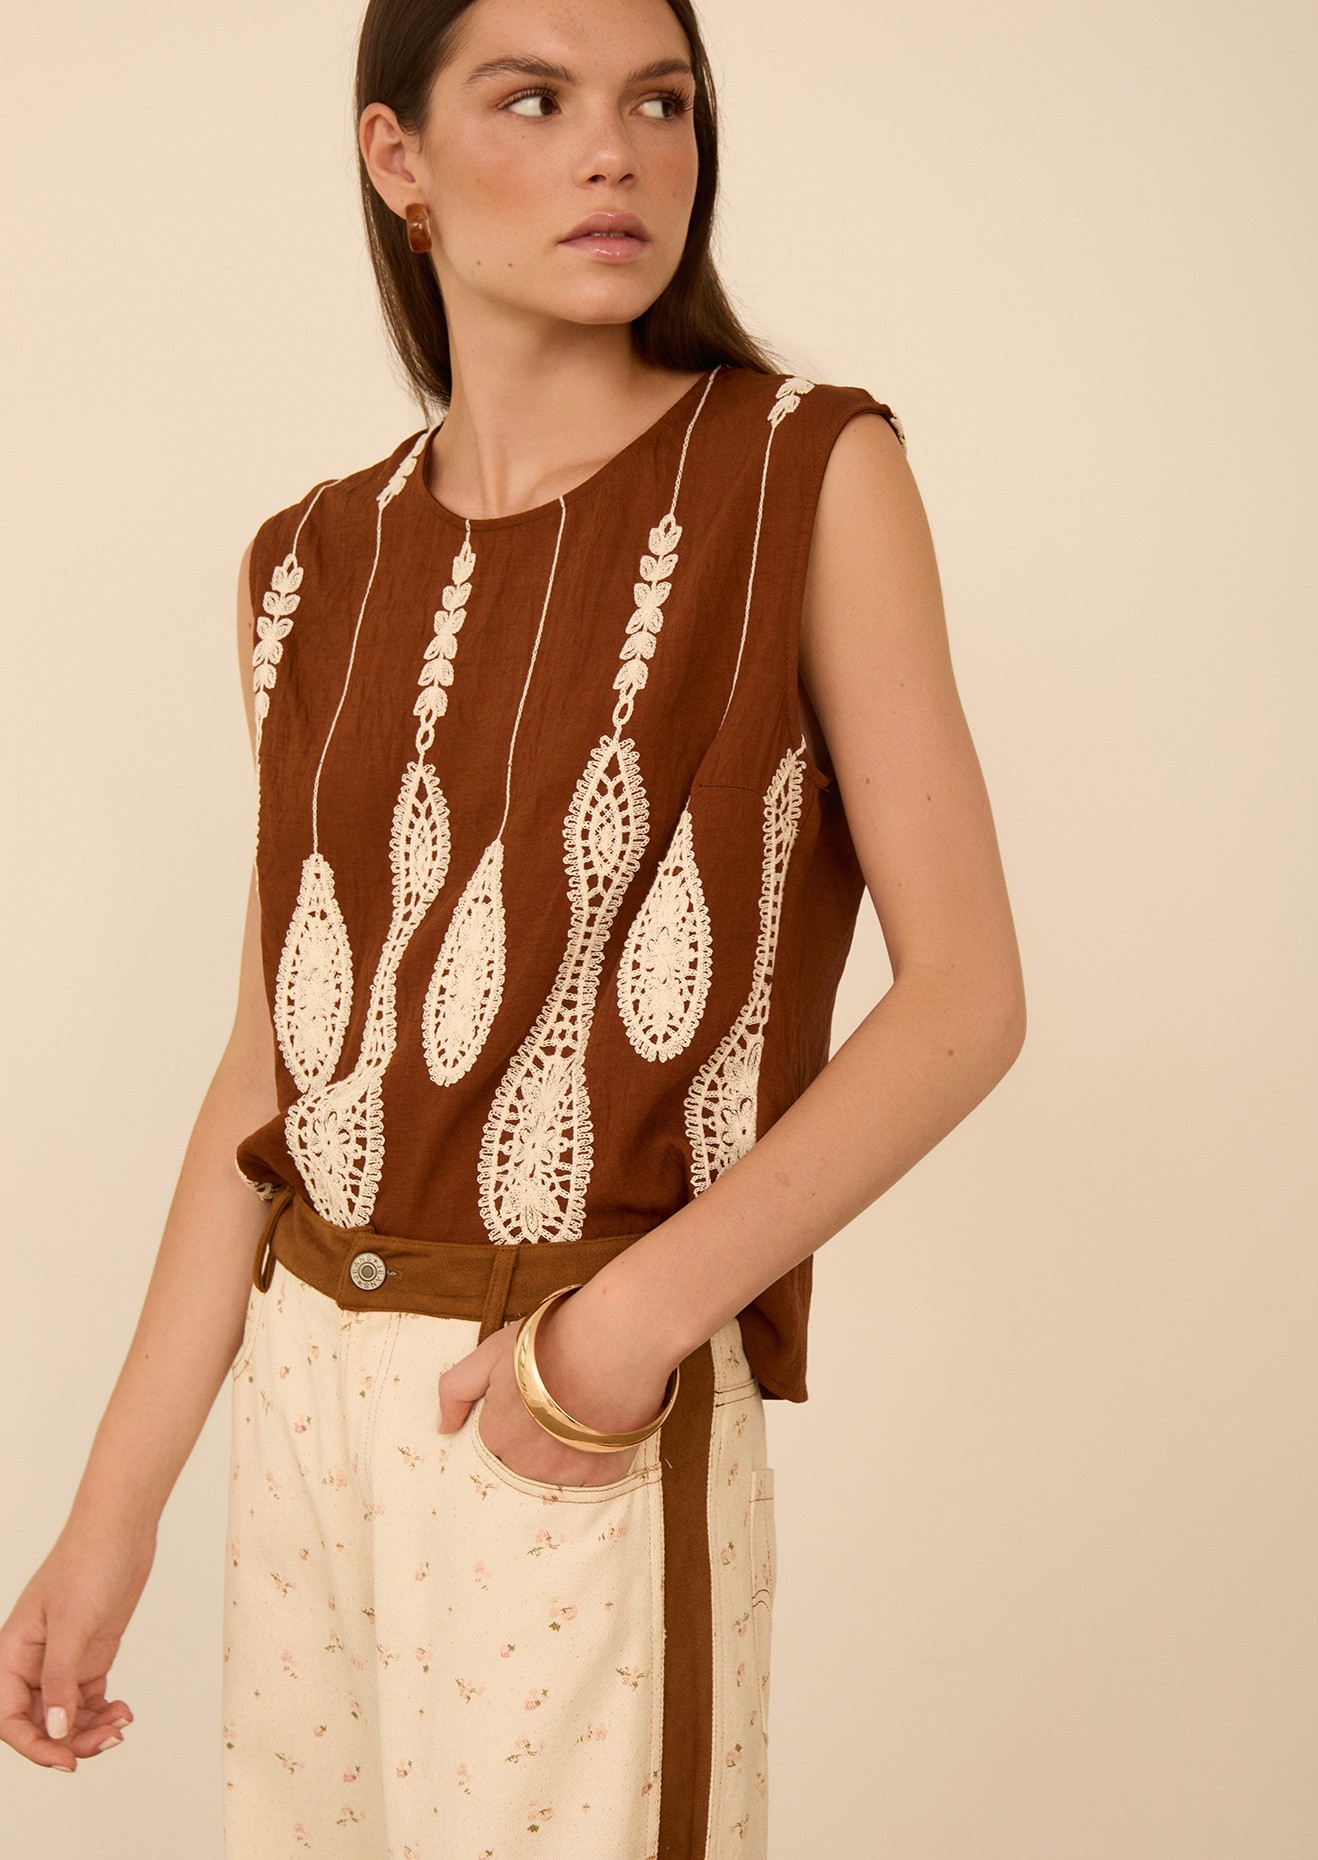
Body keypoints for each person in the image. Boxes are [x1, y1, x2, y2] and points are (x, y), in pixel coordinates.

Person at [0, 0, 1026, 1850]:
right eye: (532, 99)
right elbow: (271, 1070)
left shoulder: (804, 471)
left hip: (568, 1391)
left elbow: (965, 998)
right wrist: (111, 1507)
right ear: (397, 159)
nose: (615, 151)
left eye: (661, 102)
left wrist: (627, 1328)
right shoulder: (307, 564)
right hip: (304, 1405)